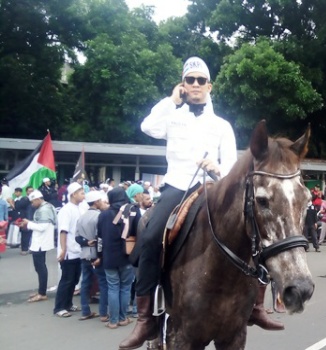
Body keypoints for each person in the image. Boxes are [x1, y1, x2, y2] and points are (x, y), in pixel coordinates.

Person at [119, 56, 244, 350]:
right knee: (150, 236)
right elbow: (147, 126)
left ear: (209, 86)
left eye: (201, 80)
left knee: (254, 227)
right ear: (183, 84)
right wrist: (170, 100)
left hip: (212, 188)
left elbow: (233, 168)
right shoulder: (172, 116)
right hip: (177, 187)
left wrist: (217, 168)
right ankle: (146, 319)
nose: (196, 85)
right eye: (190, 80)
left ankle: (255, 307)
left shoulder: (222, 125)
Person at [99, 188, 135, 329]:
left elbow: (99, 237)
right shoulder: (133, 211)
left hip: (109, 257)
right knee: (125, 288)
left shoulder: (104, 215)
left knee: (113, 287)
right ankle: (123, 318)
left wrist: (99, 255)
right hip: (128, 256)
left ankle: (113, 321)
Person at [75, 190, 109, 321]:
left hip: (84, 254)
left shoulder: (82, 217)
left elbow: (77, 237)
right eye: (100, 200)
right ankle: (103, 313)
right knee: (103, 283)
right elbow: (100, 238)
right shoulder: (99, 216)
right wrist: (100, 255)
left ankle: (85, 311)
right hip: (96, 254)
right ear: (96, 202)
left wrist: (85, 242)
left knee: (85, 283)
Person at [53, 182, 85, 317]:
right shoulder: (66, 210)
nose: (84, 195)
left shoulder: (79, 208)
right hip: (68, 251)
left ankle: (68, 304)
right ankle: (59, 307)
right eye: (82, 193)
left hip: (78, 251)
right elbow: (63, 231)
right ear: (73, 194)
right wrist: (63, 249)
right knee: (66, 279)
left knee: (74, 279)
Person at [18, 190, 56, 303]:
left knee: (40, 268)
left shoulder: (44, 209)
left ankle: (42, 293)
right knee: (39, 267)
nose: (32, 204)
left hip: (41, 242)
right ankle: (41, 290)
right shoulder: (46, 207)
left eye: (32, 202)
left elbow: (42, 227)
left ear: (38, 199)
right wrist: (29, 223)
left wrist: (28, 224)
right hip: (41, 241)